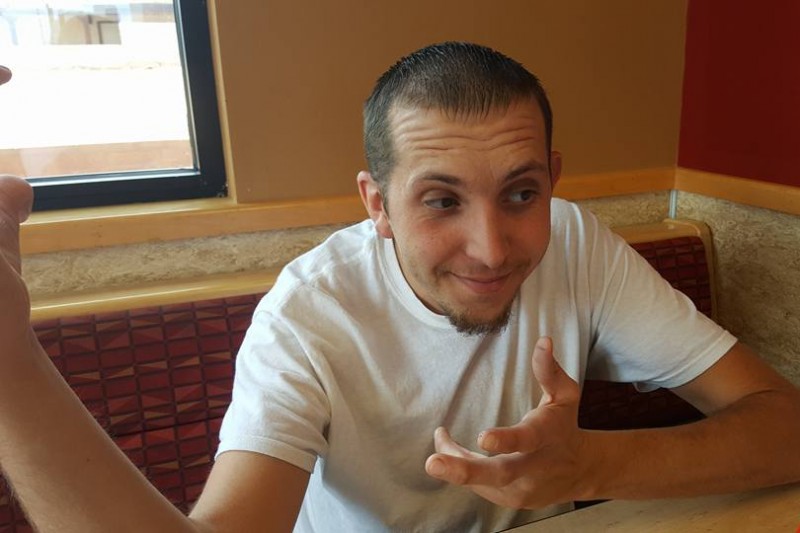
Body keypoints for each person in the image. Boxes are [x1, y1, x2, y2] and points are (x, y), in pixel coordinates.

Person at [1, 42, 799, 532]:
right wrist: (10, 365)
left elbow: (784, 427)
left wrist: (590, 464)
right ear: (377, 204)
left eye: (521, 193)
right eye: (442, 201)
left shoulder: (578, 244)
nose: (492, 249)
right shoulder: (308, 315)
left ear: (553, 180)